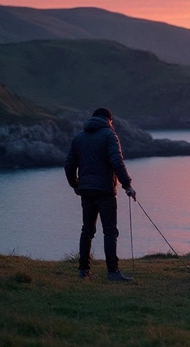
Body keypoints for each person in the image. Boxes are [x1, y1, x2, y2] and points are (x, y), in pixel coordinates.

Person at [64, 107, 136, 282]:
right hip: (105, 190)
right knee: (110, 231)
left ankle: (83, 271)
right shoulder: (109, 135)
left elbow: (68, 165)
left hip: (86, 190)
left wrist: (75, 185)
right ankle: (112, 272)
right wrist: (127, 185)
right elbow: (117, 161)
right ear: (109, 120)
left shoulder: (78, 137)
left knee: (87, 231)